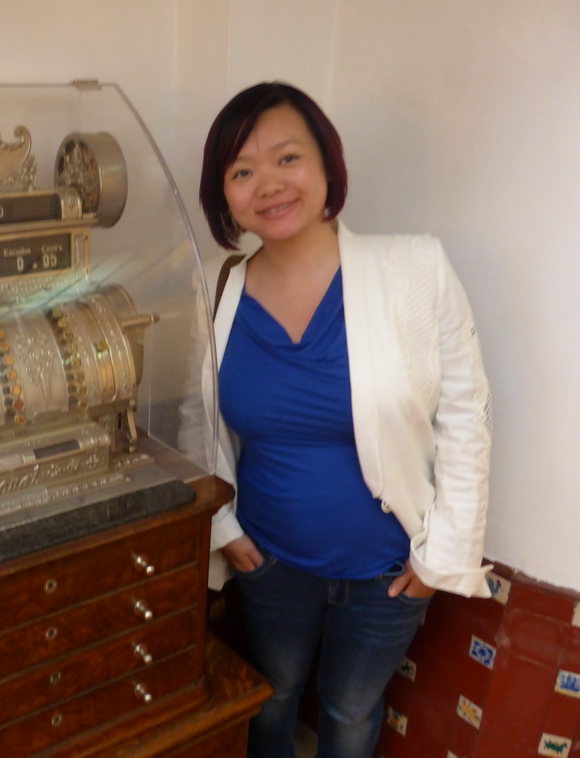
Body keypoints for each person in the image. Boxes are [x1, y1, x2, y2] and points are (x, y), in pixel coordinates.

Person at [195, 82, 492, 758]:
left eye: (287, 158)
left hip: (387, 569)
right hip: (269, 559)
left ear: (327, 165)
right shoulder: (217, 286)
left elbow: (467, 419)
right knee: (270, 698)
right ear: (226, 196)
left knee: (351, 710)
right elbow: (197, 415)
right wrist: (226, 528)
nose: (267, 184)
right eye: (242, 171)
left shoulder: (414, 268)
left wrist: (437, 559)